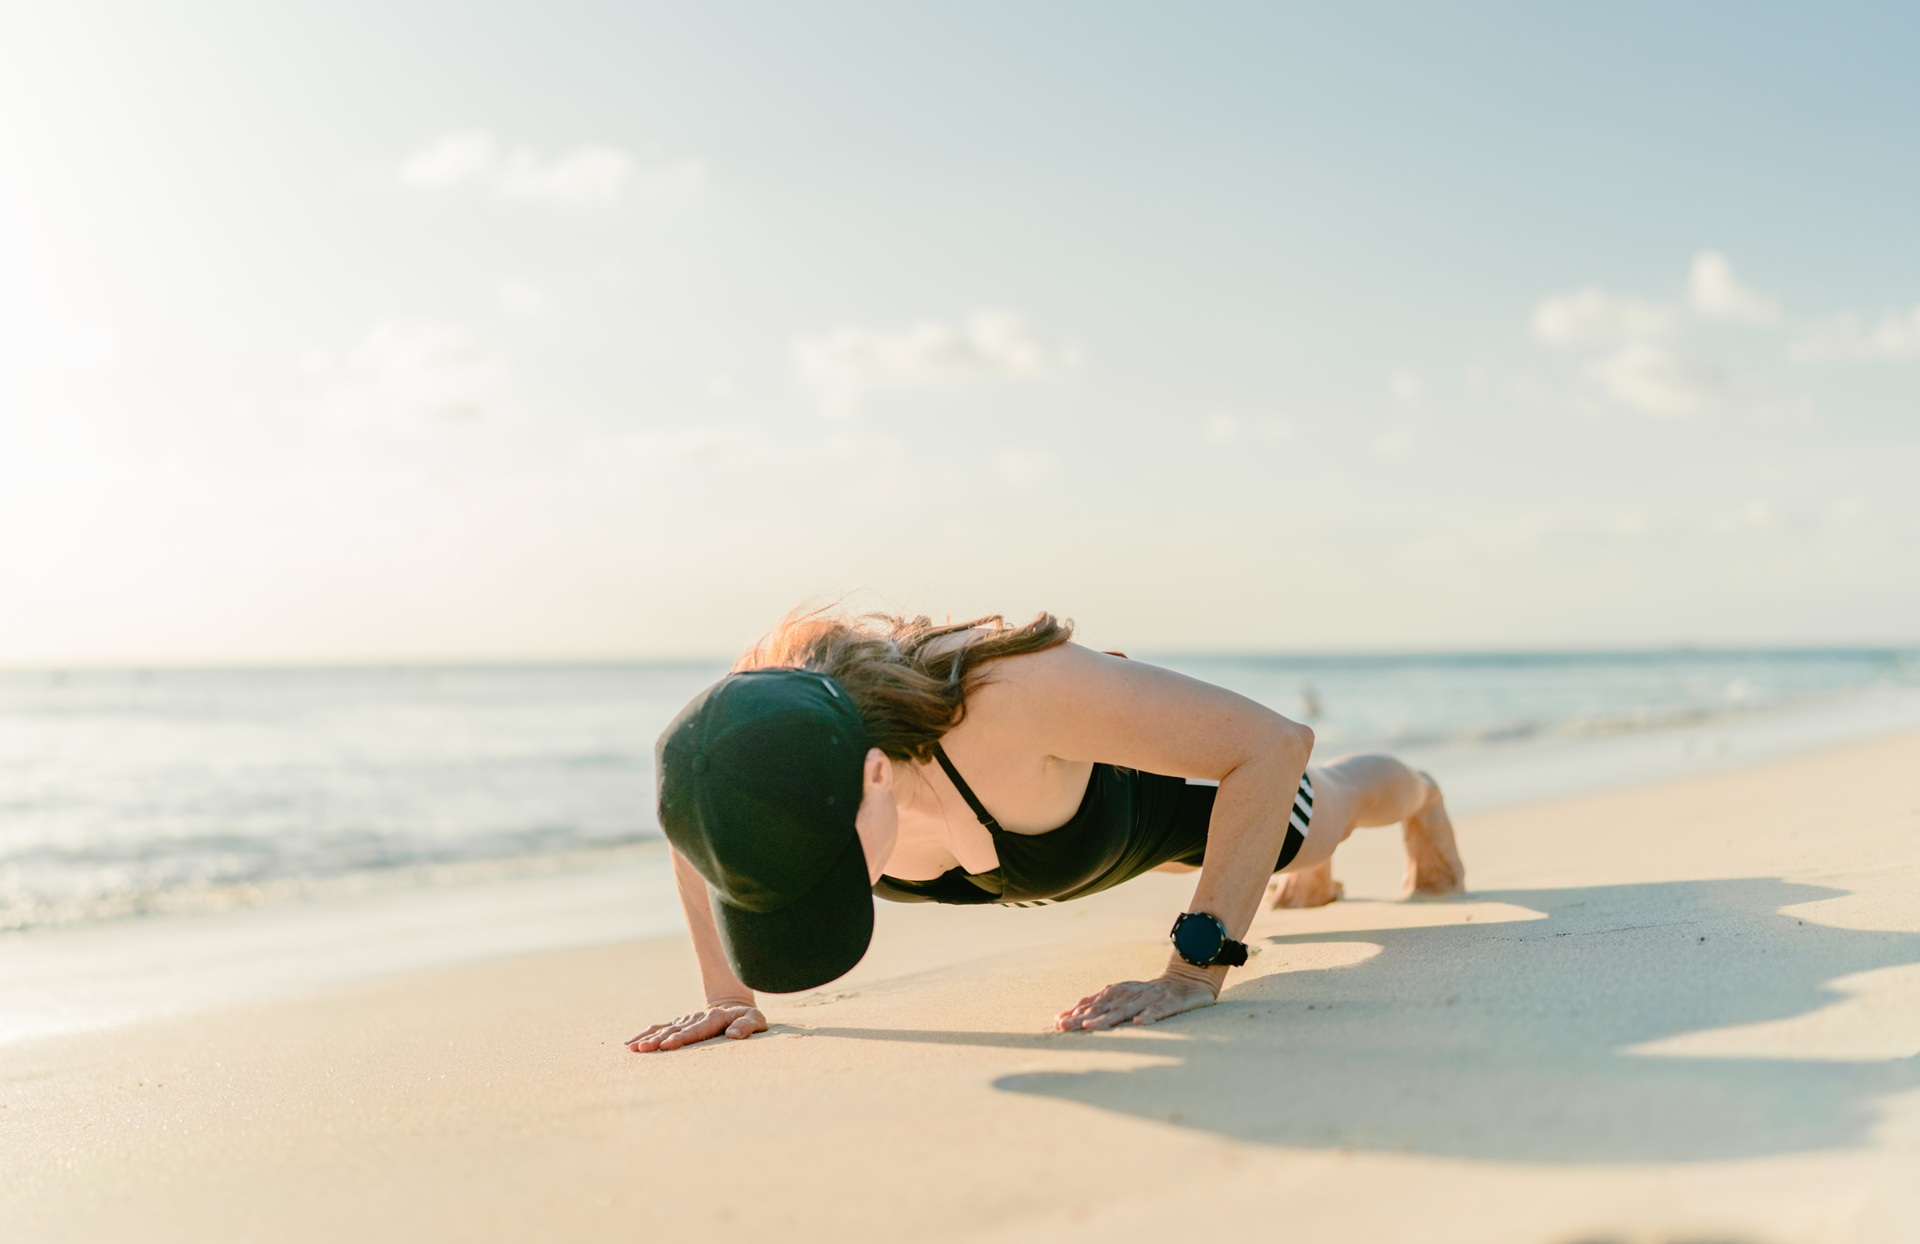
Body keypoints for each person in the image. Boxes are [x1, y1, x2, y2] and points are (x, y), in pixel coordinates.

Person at [628, 610, 1463, 1053]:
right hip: (1051, 843)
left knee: (1322, 818)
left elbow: (1275, 745)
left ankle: (1422, 798)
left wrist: (1194, 969)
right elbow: (692, 831)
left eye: (827, 870)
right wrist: (727, 997)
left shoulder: (1008, 696)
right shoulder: (742, 763)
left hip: (1153, 806)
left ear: (877, 773)